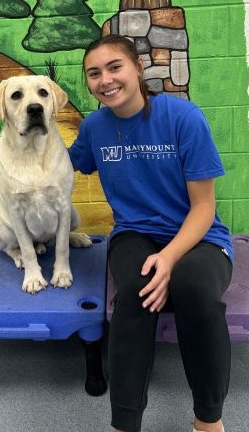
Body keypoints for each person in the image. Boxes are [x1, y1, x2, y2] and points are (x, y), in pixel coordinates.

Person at [68, 35, 233, 432]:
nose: (105, 80)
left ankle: (208, 420)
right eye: (94, 73)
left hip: (199, 235)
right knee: (138, 292)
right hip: (132, 234)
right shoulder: (94, 127)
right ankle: (125, 424)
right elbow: (62, 167)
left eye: (114, 67)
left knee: (194, 288)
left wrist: (170, 259)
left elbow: (204, 207)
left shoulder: (183, 117)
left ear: (138, 68)